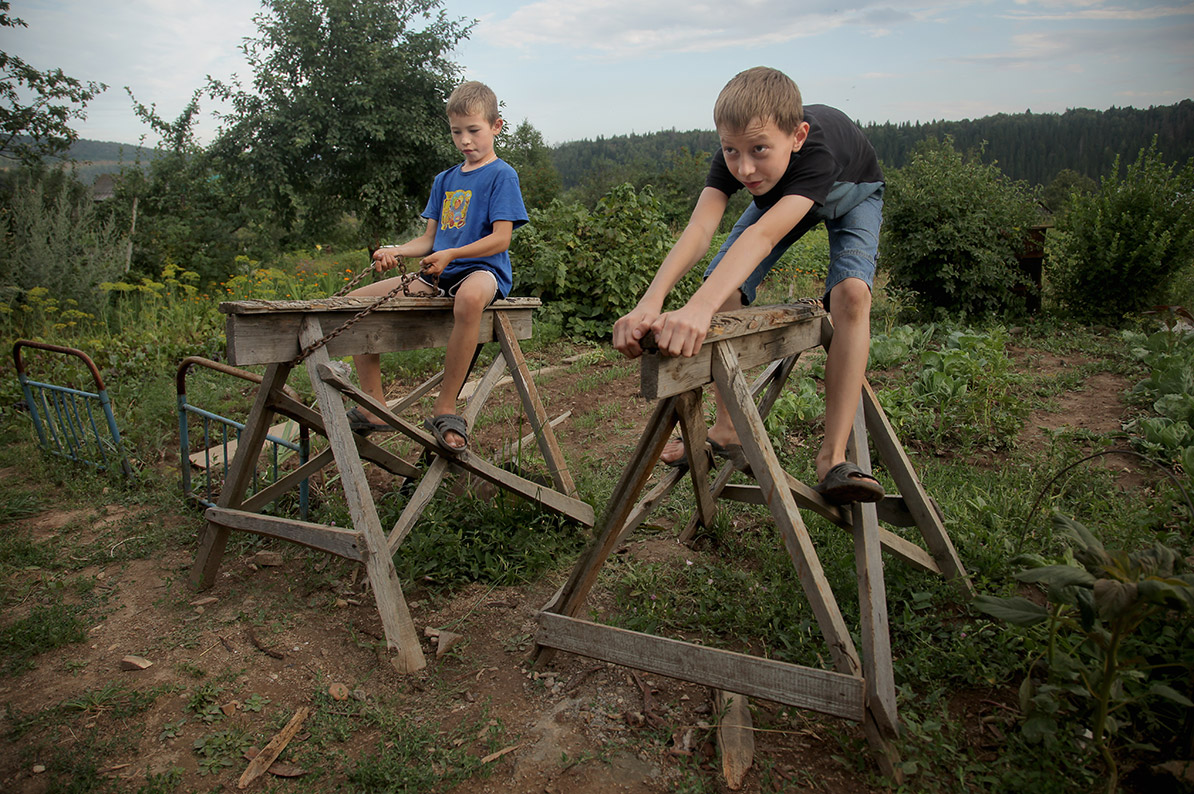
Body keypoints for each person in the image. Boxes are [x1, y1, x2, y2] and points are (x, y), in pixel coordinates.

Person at [612, 66, 885, 505]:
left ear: (796, 136)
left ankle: (833, 459)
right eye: (731, 151)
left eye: (759, 150)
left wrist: (699, 310)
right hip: (786, 194)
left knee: (851, 294)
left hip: (854, 193)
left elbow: (764, 236)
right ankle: (725, 428)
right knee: (724, 290)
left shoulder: (817, 153)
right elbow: (701, 228)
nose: (744, 168)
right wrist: (652, 300)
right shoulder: (738, 153)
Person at [346, 81, 528, 454]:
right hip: (438, 274)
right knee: (356, 303)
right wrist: (396, 250)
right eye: (456, 132)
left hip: (481, 270)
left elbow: (501, 240)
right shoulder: (444, 180)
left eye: (474, 130)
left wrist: (453, 255)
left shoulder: (502, 175)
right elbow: (429, 241)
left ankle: (446, 409)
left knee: (470, 299)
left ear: (496, 126)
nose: (465, 140)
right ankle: (375, 406)